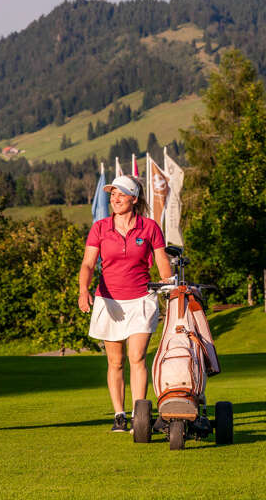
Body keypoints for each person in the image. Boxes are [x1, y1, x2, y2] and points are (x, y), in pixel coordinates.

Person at [78, 175, 172, 432]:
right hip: (109, 301)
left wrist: (169, 285)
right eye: (112, 195)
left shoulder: (150, 227)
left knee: (137, 356)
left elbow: (162, 261)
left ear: (134, 198)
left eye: (120, 194)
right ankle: (119, 414)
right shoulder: (100, 227)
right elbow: (88, 264)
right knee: (116, 361)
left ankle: (138, 416)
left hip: (141, 299)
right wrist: (83, 290)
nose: (115, 199)